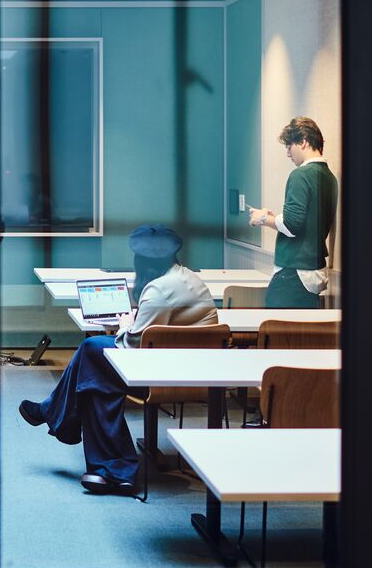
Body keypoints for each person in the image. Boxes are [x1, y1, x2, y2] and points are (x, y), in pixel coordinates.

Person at [17, 224, 216, 494]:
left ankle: (59, 418)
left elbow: (131, 345)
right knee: (95, 374)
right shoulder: (188, 278)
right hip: (198, 372)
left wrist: (124, 324)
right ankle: (114, 471)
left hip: (162, 376)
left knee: (91, 355)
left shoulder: (159, 290)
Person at [247, 117, 339, 309]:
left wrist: (262, 218)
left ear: (303, 141)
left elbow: (292, 224)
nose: (288, 153)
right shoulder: (329, 177)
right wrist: (273, 218)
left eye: (289, 146)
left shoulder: (301, 175)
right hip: (314, 269)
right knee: (302, 336)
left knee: (277, 333)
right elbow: (308, 220)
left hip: (294, 272)